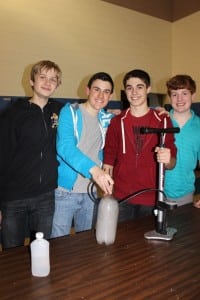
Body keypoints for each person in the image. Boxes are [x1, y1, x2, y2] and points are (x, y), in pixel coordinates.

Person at [0, 60, 62, 248]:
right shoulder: (12, 114)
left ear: (57, 85)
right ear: (32, 81)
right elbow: (1, 157)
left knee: (41, 249)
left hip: (45, 196)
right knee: (12, 253)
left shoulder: (61, 111)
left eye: (53, 79)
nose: (47, 82)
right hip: (14, 198)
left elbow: (87, 113)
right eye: (42, 77)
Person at [103, 69, 177, 222]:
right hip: (122, 197)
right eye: (129, 87)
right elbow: (108, 160)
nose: (134, 92)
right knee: (121, 244)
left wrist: (168, 159)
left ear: (148, 89)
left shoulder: (162, 121)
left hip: (151, 198)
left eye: (140, 87)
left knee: (148, 245)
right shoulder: (117, 122)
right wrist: (107, 191)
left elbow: (171, 163)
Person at [51, 72, 114, 238]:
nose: (101, 95)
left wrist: (160, 112)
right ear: (87, 90)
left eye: (106, 91)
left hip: (91, 191)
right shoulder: (70, 112)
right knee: (59, 243)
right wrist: (95, 170)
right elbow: (65, 147)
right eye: (96, 89)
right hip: (65, 192)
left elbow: (133, 117)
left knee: (85, 243)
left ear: (111, 95)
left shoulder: (107, 118)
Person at [164, 74, 200, 207]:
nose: (179, 99)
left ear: (193, 95)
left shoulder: (199, 127)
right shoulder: (160, 121)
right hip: (155, 192)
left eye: (184, 93)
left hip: (185, 194)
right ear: (170, 97)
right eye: (174, 94)